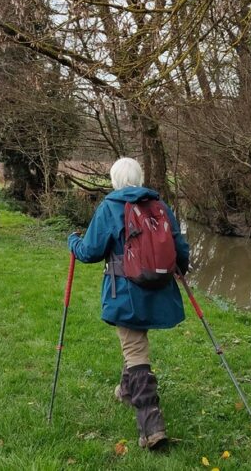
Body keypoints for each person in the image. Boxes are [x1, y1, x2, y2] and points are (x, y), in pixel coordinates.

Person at [67, 157, 190, 450]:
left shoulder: (110, 206)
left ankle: (152, 426)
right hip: (159, 289)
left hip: (126, 291)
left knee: (135, 348)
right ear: (139, 177)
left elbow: (90, 251)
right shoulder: (159, 205)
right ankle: (126, 390)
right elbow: (179, 247)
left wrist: (72, 241)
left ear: (114, 180)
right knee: (132, 341)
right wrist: (180, 272)